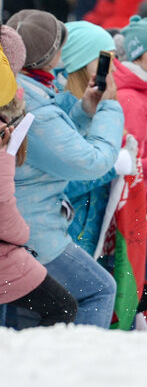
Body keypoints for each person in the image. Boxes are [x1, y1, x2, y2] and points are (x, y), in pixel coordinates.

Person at [7, 9, 121, 327]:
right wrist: (110, 107)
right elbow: (90, 163)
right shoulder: (35, 109)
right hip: (31, 229)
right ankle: (78, 357)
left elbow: (52, 145)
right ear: (52, 54)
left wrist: (84, 111)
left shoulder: (22, 89)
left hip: (22, 224)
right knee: (98, 290)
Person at [1, 42, 79, 326]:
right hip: (27, 235)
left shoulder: (37, 102)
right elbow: (85, 163)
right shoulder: (24, 115)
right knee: (77, 301)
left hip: (27, 236)